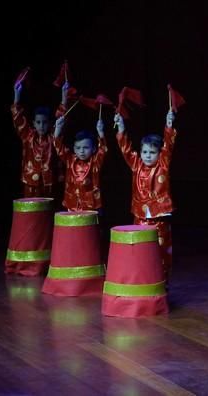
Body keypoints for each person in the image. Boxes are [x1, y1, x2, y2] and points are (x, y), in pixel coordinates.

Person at [114, 110, 176, 279]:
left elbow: (168, 147)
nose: (148, 156)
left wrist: (169, 126)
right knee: (140, 250)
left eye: (152, 152)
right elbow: (126, 150)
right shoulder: (136, 164)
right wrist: (121, 128)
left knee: (160, 251)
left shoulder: (163, 164)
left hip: (159, 218)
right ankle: (142, 281)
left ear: (159, 154)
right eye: (145, 152)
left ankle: (162, 282)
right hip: (140, 215)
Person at [53, 116, 107, 211]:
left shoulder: (95, 161)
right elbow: (59, 147)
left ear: (94, 148)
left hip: (90, 205)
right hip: (72, 203)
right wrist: (57, 129)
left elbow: (103, 150)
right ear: (74, 149)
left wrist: (101, 133)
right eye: (78, 148)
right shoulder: (70, 159)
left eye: (85, 148)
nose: (81, 151)